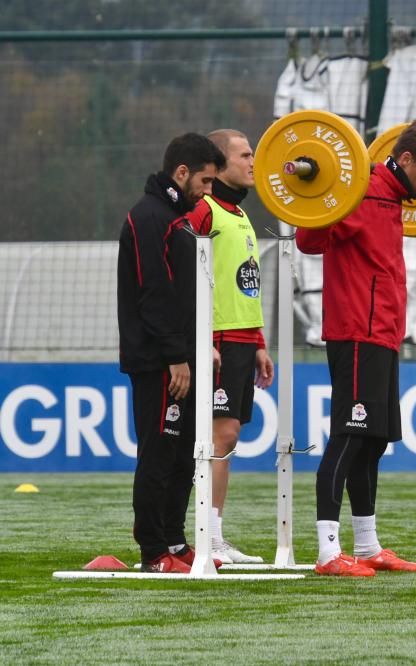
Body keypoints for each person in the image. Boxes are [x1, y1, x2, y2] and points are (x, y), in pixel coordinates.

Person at [296, 119, 416, 576]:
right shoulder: (359, 192)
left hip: (384, 334)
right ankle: (328, 552)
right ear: (404, 160)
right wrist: (315, 184)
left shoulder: (394, 200)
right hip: (356, 332)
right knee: (348, 437)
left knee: (374, 442)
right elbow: (308, 238)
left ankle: (368, 547)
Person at [117, 133, 225, 573]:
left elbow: (187, 292)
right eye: (204, 180)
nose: (208, 190)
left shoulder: (179, 219)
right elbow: (154, 293)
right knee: (159, 453)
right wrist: (176, 356)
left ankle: (177, 542)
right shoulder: (148, 216)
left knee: (184, 455)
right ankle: (153, 552)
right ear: (181, 173)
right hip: (160, 362)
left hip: (186, 355)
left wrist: (204, 345)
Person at [186, 129, 275, 564]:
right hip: (217, 339)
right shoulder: (202, 212)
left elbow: (246, 285)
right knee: (220, 434)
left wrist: (258, 341)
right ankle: (206, 535)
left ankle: (214, 532)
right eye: (245, 154)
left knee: (229, 435)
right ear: (219, 165)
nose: (254, 160)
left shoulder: (239, 216)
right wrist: (200, 338)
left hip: (242, 340)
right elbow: (186, 275)